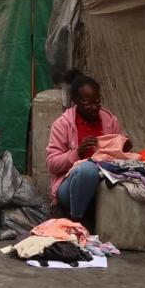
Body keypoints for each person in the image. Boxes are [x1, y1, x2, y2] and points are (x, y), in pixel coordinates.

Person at [46, 69, 127, 221]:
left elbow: (120, 156)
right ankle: (76, 220)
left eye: (97, 101)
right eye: (87, 103)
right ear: (75, 101)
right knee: (88, 169)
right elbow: (52, 164)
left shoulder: (110, 121)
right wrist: (77, 153)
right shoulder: (62, 124)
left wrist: (124, 148)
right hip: (70, 186)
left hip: (104, 182)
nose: (94, 107)